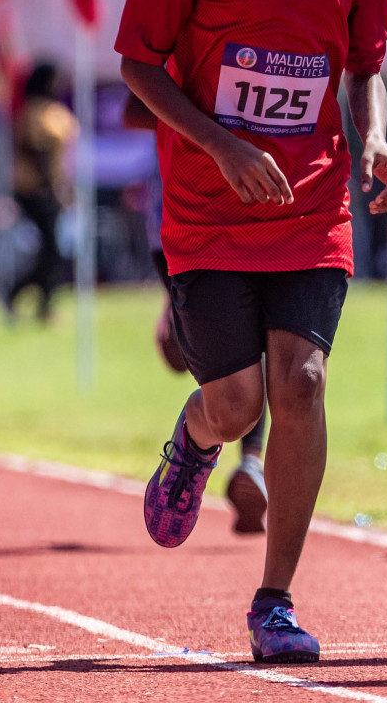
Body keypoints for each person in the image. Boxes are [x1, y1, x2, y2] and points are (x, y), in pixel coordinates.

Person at [114, 0, 387, 664]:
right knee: (236, 403)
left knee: (305, 380)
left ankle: (274, 599)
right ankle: (194, 443)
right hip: (207, 211)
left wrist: (380, 139)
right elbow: (139, 67)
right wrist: (221, 142)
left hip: (314, 207)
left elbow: (364, 67)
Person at [124, 91, 269, 534]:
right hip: (193, 212)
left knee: (247, 347)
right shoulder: (177, 45)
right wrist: (215, 132)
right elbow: (134, 108)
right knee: (246, 350)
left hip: (218, 213)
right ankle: (248, 459)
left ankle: (240, 459)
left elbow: (132, 114)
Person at [5, 62, 77, 323]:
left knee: (54, 251)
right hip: (34, 190)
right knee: (53, 251)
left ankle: (43, 306)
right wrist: (55, 189)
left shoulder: (54, 111)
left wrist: (64, 187)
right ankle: (14, 293)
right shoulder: (34, 111)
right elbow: (38, 153)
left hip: (51, 189)